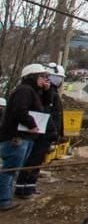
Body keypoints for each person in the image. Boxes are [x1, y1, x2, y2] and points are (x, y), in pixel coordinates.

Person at [14, 63, 65, 198]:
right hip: (40, 131)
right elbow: (42, 111)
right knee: (31, 161)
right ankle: (22, 189)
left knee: (37, 161)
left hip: (45, 131)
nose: (58, 80)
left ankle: (30, 187)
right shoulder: (32, 91)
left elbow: (54, 113)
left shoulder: (48, 92)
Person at [0, 64, 45, 210]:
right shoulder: (24, 91)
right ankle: (3, 200)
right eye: (41, 76)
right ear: (32, 76)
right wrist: (31, 124)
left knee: (13, 169)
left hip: (24, 136)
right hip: (16, 137)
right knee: (10, 169)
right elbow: (20, 110)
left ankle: (5, 198)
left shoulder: (30, 91)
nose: (44, 79)